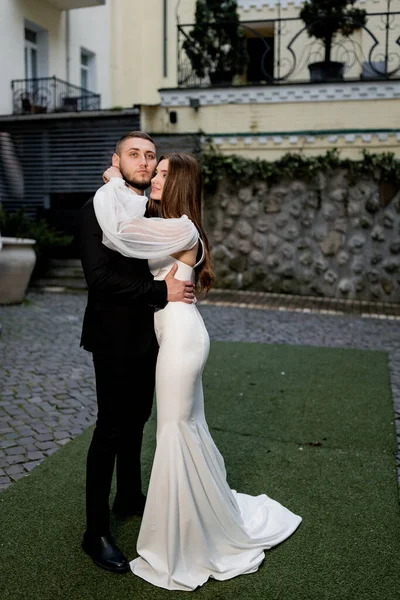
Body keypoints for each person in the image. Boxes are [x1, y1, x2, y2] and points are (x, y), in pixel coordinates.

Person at [94, 152, 302, 591]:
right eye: (155, 167)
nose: (153, 174)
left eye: (164, 172)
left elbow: (118, 233)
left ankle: (182, 542)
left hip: (182, 338)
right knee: (184, 427)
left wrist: (115, 179)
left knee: (174, 429)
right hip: (174, 335)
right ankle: (197, 519)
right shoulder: (169, 223)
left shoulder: (182, 227)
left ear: (181, 184)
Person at [79, 132, 196, 574]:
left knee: (138, 418)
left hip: (151, 337)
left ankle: (129, 495)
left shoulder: (150, 210)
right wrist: (160, 290)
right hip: (111, 337)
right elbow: (99, 278)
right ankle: (94, 532)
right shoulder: (97, 208)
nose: (145, 162)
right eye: (135, 155)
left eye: (150, 156)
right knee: (109, 428)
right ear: (117, 161)